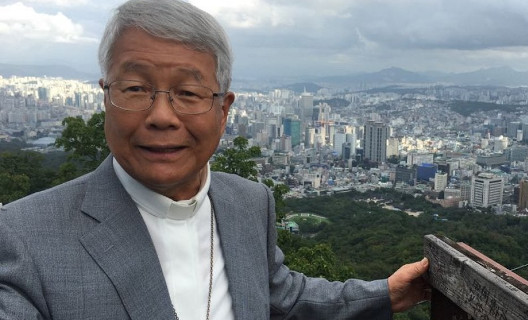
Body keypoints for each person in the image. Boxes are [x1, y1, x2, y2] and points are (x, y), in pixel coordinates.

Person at [0, 0, 430, 319]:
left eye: (188, 93)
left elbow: (282, 295)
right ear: (106, 98)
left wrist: (385, 293)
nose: (162, 116)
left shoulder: (249, 202)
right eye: (135, 88)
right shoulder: (24, 236)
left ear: (223, 110)